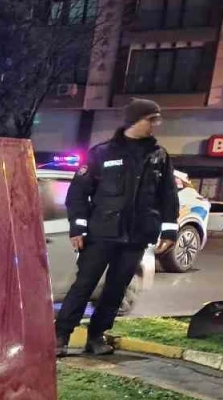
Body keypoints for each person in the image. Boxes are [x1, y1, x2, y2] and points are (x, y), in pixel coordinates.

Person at [56, 98, 179, 356]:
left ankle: (96, 336)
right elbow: (78, 194)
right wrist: (78, 228)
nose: (156, 124)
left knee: (116, 290)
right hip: (101, 234)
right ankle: (60, 336)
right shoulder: (102, 153)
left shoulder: (159, 156)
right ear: (134, 120)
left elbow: (168, 196)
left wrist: (169, 230)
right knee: (84, 285)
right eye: (151, 119)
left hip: (136, 237)